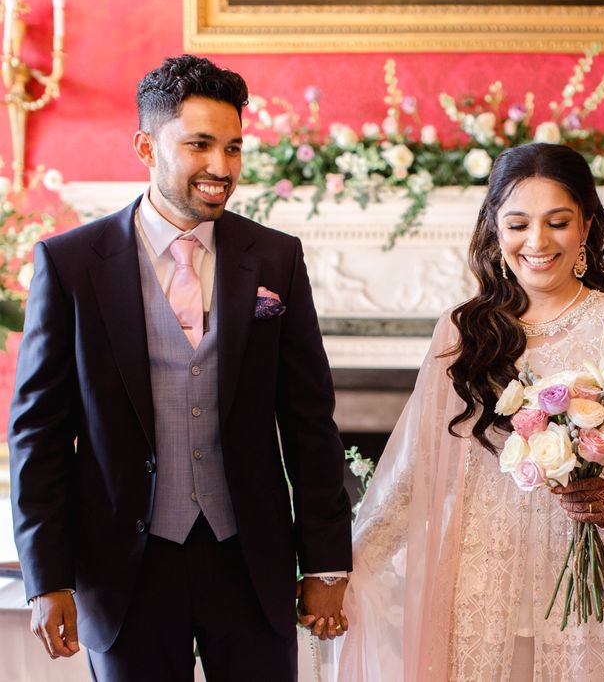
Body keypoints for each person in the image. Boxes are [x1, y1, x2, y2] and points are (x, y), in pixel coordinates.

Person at [9, 54, 352, 682]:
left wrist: (326, 563)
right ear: (146, 145)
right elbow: (39, 434)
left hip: (247, 559)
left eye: (234, 148)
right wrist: (46, 577)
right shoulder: (70, 263)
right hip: (124, 567)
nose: (221, 168)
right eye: (199, 144)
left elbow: (310, 420)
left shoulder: (276, 258)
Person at [331, 143, 604, 681]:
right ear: (495, 231)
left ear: (586, 227)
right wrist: (344, 568)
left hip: (587, 590)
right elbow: (414, 469)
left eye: (558, 222)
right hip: (479, 585)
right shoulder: (463, 330)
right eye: (518, 224)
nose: (537, 242)